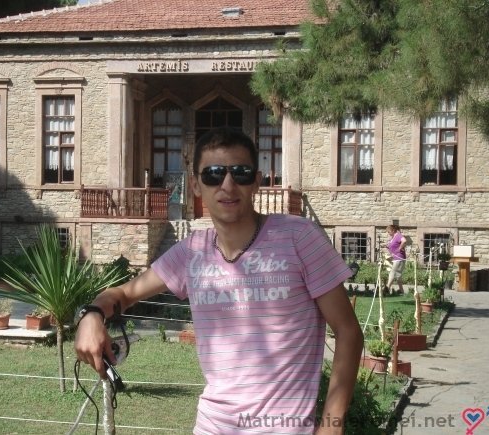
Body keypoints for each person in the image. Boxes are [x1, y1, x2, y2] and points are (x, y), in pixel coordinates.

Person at [75, 127, 363, 434]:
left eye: (240, 173)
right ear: (196, 185)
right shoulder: (191, 252)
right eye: (213, 174)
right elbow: (123, 293)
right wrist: (91, 315)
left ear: (257, 181)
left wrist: (332, 425)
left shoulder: (299, 237)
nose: (227, 185)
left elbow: (348, 332)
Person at [385, 224, 407, 295]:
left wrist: (399, 248)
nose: (388, 233)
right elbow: (393, 246)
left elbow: (404, 241)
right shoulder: (393, 237)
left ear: (393, 230)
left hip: (399, 258)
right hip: (396, 258)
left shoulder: (398, 235)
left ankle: (387, 288)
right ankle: (402, 291)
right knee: (398, 276)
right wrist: (387, 246)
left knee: (392, 272)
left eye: (389, 231)